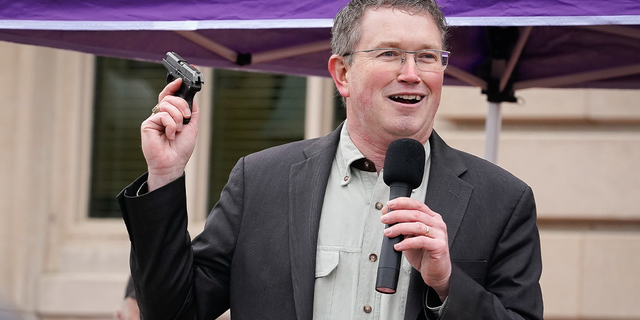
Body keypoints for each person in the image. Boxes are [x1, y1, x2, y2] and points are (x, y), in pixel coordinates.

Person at [117, 0, 543, 319]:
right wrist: (165, 175)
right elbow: (172, 312)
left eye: (428, 56)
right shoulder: (261, 181)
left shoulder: (503, 200)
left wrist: (447, 285)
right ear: (342, 74)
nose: (411, 73)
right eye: (389, 53)